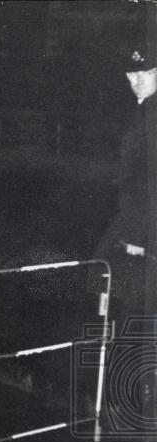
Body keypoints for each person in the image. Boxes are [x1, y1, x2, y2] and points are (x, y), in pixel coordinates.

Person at [93, 38, 156, 322]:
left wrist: (138, 235)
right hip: (134, 221)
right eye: (133, 73)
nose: (139, 80)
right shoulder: (142, 110)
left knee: (112, 286)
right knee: (110, 289)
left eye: (148, 73)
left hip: (141, 230)